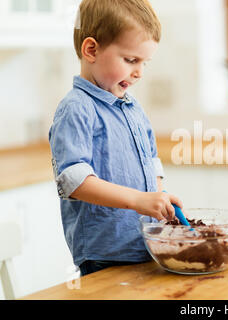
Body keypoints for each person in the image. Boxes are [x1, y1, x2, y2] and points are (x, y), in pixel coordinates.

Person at [48, 0, 182, 276]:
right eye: (131, 60)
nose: (139, 72)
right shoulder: (77, 108)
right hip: (104, 256)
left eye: (144, 62)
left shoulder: (133, 109)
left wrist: (159, 199)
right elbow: (74, 181)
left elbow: (152, 162)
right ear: (91, 50)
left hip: (143, 247)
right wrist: (138, 200)